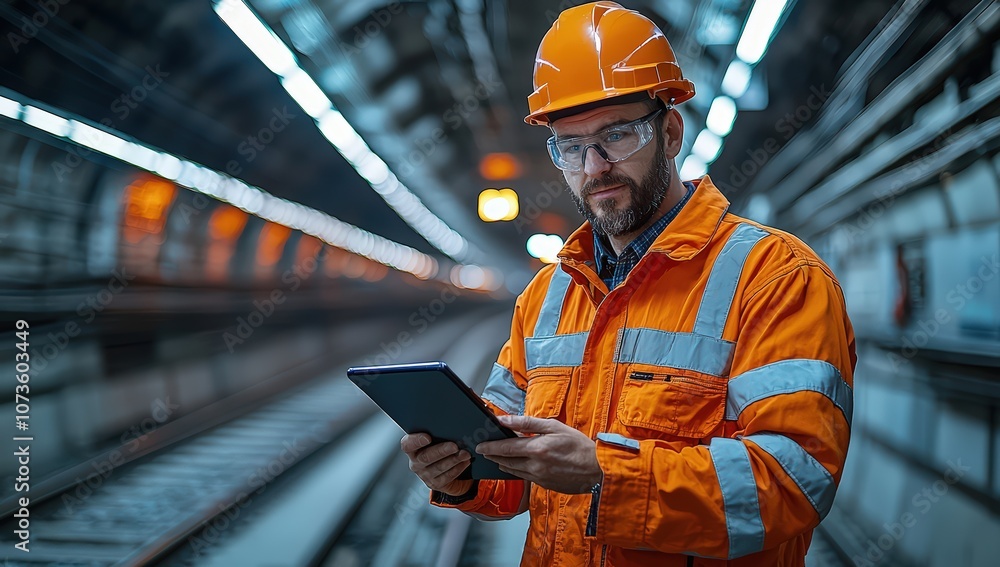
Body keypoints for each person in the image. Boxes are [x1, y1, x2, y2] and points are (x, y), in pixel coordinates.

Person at [400, 2, 856, 565]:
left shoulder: (777, 278)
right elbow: (507, 471)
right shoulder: (546, 297)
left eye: (617, 135)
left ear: (669, 131)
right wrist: (464, 473)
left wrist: (604, 474)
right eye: (571, 146)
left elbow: (792, 484)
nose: (594, 167)